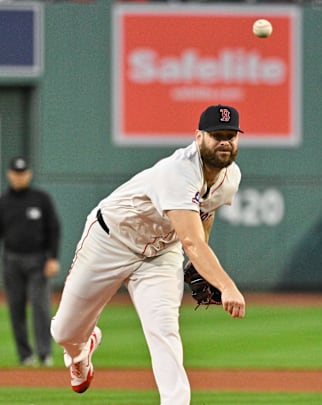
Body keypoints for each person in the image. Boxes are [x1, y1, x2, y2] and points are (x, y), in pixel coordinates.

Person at [50, 104, 247, 404]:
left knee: (165, 331)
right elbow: (193, 244)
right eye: (217, 135)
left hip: (161, 254)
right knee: (63, 331)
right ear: (198, 137)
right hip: (110, 241)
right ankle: (80, 350)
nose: (224, 142)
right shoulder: (178, 171)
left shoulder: (230, 177)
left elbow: (205, 214)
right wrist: (226, 285)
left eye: (230, 135)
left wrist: (198, 267)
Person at [0, 156, 61, 367]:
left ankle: (45, 353)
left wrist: (53, 257)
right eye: (16, 173)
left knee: (41, 307)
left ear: (29, 174)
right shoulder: (1, 203)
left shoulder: (41, 199)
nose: (19, 177)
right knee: (16, 307)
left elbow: (53, 229)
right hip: (12, 260)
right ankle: (25, 355)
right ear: (9, 174)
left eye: (23, 173)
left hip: (38, 260)